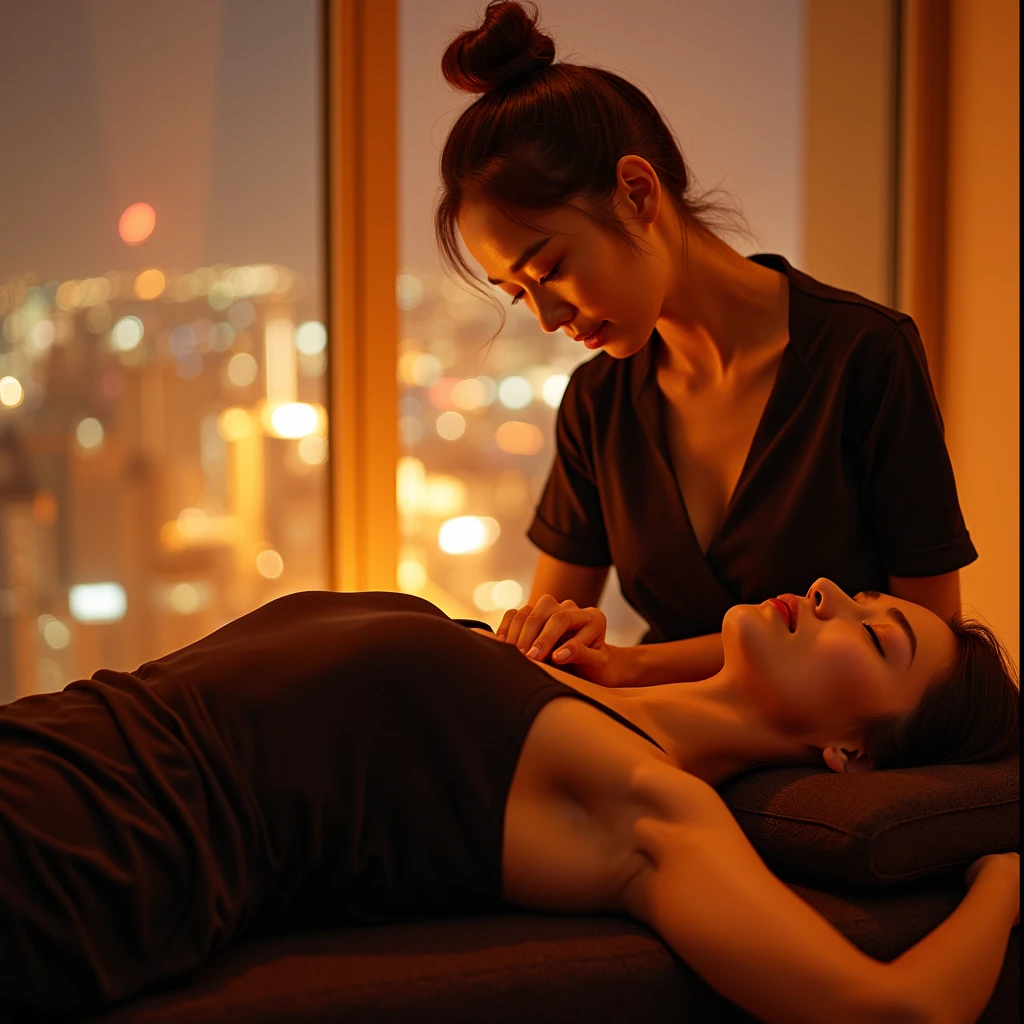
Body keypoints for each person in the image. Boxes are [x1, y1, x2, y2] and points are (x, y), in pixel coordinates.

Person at [0, 582, 1018, 1022]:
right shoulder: (564, 670)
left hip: (89, 838)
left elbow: (892, 1010)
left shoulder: (651, 803)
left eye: (878, 636)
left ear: (848, 753)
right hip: (49, 739)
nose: (833, 587)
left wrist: (1002, 878)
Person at [436, 1, 976, 679]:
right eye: (518, 293)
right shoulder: (597, 403)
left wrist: (630, 667)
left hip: (815, 767)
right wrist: (549, 635)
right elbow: (550, 658)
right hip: (656, 741)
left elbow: (933, 637)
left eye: (551, 270)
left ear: (636, 192)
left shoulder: (862, 356)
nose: (547, 318)